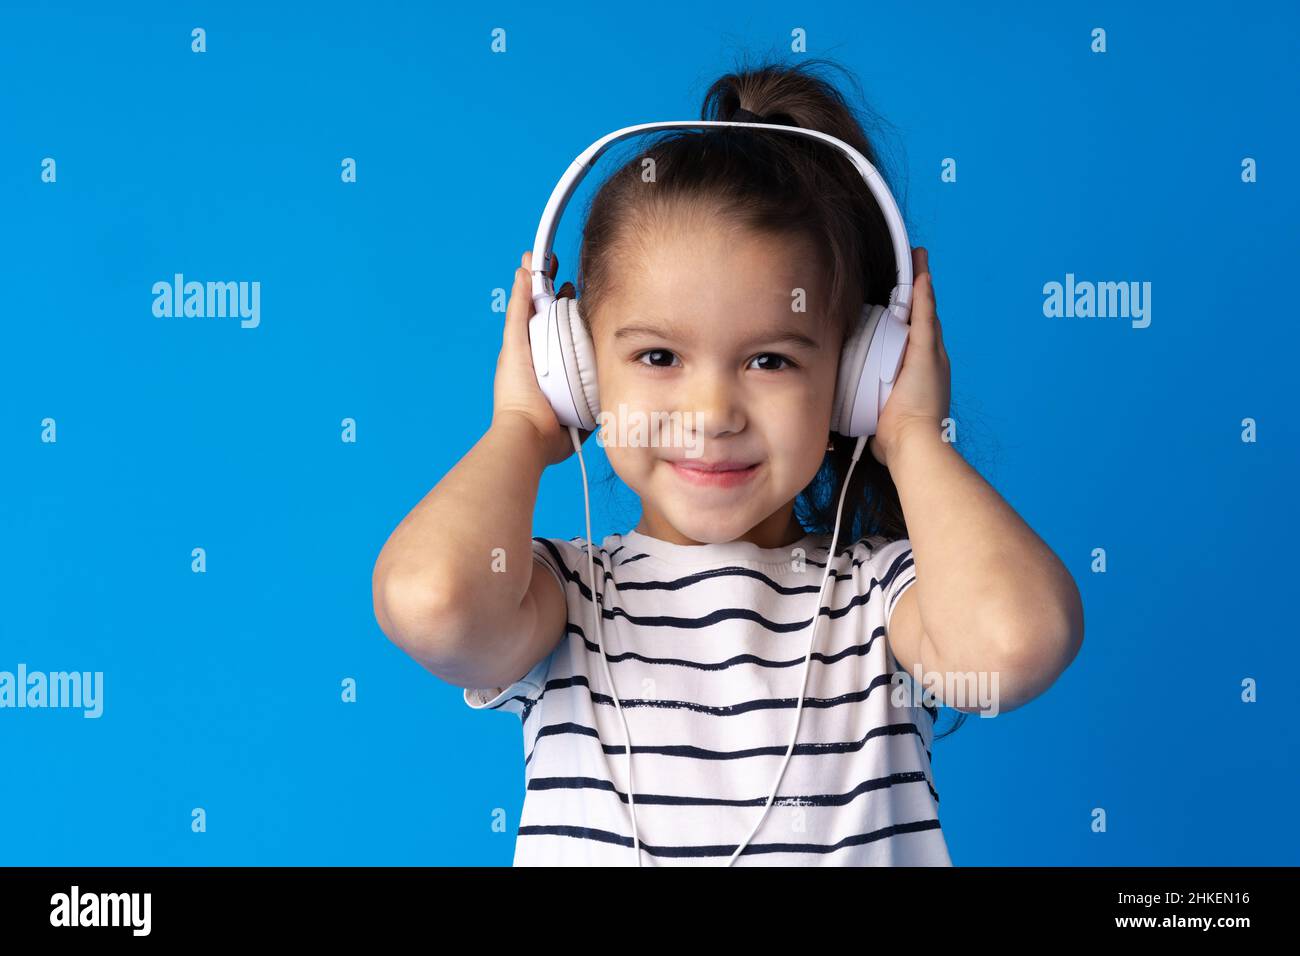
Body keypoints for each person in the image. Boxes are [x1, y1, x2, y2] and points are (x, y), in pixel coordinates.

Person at [372, 58, 1084, 866]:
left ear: (858, 373)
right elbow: (430, 601)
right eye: (658, 355)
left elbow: (1016, 641)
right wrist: (521, 425)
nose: (711, 415)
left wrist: (914, 434)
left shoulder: (880, 605)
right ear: (574, 365)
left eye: (771, 361)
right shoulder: (562, 606)